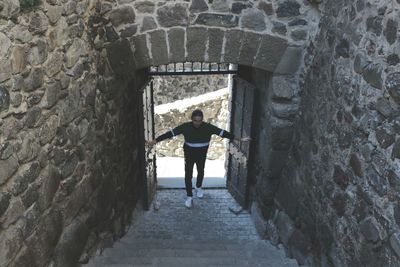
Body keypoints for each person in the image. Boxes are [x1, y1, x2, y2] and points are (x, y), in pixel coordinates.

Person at [146, 109, 251, 208]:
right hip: (189, 153)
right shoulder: (185, 127)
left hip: (201, 154)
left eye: (200, 120)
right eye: (195, 121)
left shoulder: (208, 127)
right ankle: (189, 196)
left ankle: (198, 187)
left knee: (201, 171)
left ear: (202, 120)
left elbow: (223, 133)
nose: (198, 123)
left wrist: (240, 140)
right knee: (188, 174)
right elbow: (170, 134)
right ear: (192, 119)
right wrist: (155, 141)